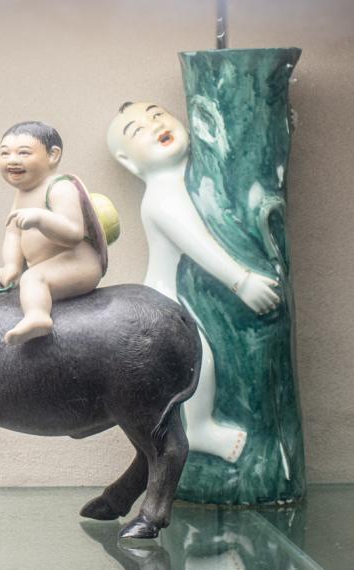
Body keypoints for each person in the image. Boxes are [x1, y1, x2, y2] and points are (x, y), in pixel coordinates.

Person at [107, 101, 281, 463]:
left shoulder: (191, 176)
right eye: (138, 131)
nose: (155, 125)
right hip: (165, 300)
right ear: (128, 162)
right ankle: (199, 428)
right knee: (197, 359)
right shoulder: (162, 195)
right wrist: (242, 282)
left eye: (158, 115)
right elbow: (198, 245)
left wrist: (274, 125)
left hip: (179, 297)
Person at [0, 121, 107, 344]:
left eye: (23, 153)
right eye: (5, 153)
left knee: (33, 278)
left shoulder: (60, 187)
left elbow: (73, 234)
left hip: (77, 263)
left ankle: (37, 317)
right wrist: (12, 265)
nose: (12, 160)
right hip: (45, 264)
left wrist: (41, 219)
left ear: (53, 155)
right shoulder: (22, 194)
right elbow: (13, 234)